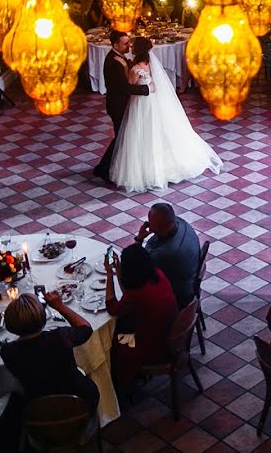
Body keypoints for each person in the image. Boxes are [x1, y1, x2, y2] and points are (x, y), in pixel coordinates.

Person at [109, 36, 222, 192]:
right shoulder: (149, 64)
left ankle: (147, 169)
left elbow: (129, 84)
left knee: (142, 133)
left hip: (141, 104)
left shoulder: (136, 69)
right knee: (156, 131)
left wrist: (124, 66)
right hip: (152, 101)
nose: (130, 46)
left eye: (132, 45)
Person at [0, 292, 100, 412]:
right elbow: (85, 328)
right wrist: (60, 306)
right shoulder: (60, 338)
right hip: (82, 402)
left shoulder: (7, 352)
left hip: (41, 411)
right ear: (43, 317)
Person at [105, 243, 178, 388]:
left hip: (153, 347)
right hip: (170, 333)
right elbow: (129, 291)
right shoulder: (157, 274)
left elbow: (112, 307)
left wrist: (109, 275)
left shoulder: (136, 293)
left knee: (108, 343)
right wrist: (118, 270)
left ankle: (118, 386)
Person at [92, 31, 152, 182]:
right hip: (117, 105)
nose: (129, 45)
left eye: (129, 42)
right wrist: (146, 89)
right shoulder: (113, 62)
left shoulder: (122, 58)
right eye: (125, 43)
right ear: (115, 45)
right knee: (121, 137)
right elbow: (124, 88)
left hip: (124, 104)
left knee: (123, 136)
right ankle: (103, 169)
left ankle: (113, 166)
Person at [136, 202, 201, 309]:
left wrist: (139, 239)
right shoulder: (181, 224)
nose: (149, 227)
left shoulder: (167, 254)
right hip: (188, 285)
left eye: (152, 225)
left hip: (176, 299)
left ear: (165, 226)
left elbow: (137, 265)